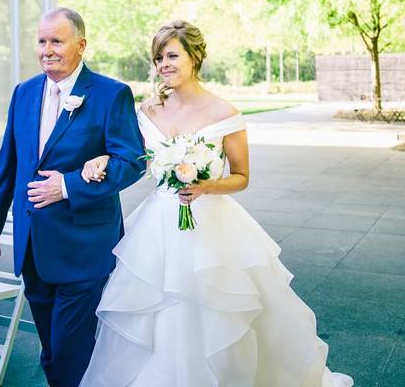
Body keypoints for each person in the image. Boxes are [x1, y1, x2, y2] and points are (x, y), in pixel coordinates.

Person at [78, 21, 353, 387]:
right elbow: (129, 157)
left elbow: (241, 177)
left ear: (195, 57)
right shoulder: (147, 111)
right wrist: (100, 161)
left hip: (213, 226)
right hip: (158, 226)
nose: (164, 64)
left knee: (216, 311)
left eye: (172, 55)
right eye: (159, 58)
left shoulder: (225, 114)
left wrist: (207, 186)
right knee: (159, 312)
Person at [0, 7, 144, 387]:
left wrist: (68, 186)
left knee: (71, 352)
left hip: (83, 247)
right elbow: (9, 163)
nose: (47, 49)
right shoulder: (23, 93)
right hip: (33, 246)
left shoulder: (110, 94)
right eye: (41, 41)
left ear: (81, 45)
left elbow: (132, 162)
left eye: (57, 41)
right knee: (51, 351)